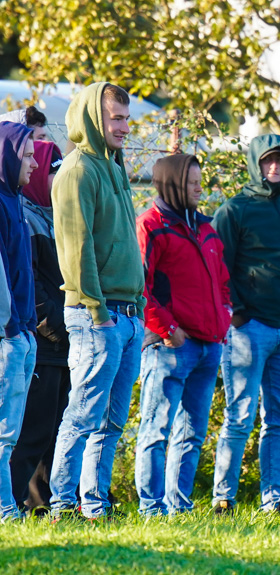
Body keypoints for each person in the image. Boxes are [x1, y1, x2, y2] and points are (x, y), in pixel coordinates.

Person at [49, 83, 146, 520]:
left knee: (111, 422)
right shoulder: (78, 170)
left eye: (126, 118)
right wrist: (98, 312)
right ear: (93, 118)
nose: (125, 127)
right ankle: (62, 503)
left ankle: (95, 504)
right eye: (116, 118)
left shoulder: (115, 166)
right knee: (83, 414)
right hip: (97, 317)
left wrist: (137, 309)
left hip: (128, 315)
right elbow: (76, 246)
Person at [211, 134, 280, 514]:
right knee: (238, 416)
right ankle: (223, 497)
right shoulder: (235, 209)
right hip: (249, 329)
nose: (275, 168)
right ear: (256, 163)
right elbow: (218, 267)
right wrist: (238, 314)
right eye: (268, 161)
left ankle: (274, 497)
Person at [135, 154, 232, 516]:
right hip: (169, 347)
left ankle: (180, 507)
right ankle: (151, 508)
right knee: (156, 430)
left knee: (192, 433)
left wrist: (224, 318)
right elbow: (139, 288)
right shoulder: (150, 225)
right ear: (174, 183)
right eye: (192, 181)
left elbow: (222, 281)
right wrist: (168, 329)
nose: (199, 188)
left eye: (200, 180)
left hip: (210, 347)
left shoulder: (206, 229)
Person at [9, 140, 69, 515]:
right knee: (31, 432)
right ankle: (13, 501)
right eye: (52, 170)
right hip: (44, 342)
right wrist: (60, 327)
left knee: (54, 432)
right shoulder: (25, 217)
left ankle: (42, 503)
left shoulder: (55, 217)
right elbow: (32, 287)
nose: (54, 179)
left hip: (64, 346)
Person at [0, 121, 38, 522]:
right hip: (7, 335)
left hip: (22, 333)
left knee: (10, 434)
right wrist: (10, 329)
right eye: (25, 155)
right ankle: (3, 510)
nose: (33, 163)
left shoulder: (17, 201)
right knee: (1, 434)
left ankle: (7, 506)